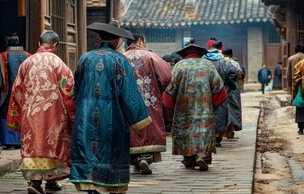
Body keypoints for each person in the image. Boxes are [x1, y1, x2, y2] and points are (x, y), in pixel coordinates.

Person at [70, 22, 152, 194]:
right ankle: (107, 184)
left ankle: (91, 185)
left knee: (88, 150)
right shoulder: (120, 60)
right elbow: (128, 91)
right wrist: (139, 117)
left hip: (86, 115)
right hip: (112, 117)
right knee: (110, 151)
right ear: (116, 40)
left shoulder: (84, 58)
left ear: (99, 37)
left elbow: (76, 88)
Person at [6, 30, 76, 194]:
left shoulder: (27, 63)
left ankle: (35, 182)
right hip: (54, 114)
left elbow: (17, 90)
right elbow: (69, 89)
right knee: (52, 145)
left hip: (32, 113)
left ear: (39, 44)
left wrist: (22, 110)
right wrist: (72, 112)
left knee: (34, 145)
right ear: (55, 45)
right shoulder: (58, 63)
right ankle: (49, 182)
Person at [162, 44, 227, 171]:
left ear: (184, 53)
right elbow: (218, 88)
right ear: (200, 52)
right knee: (203, 132)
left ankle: (189, 158)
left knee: (186, 133)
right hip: (204, 109)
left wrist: (169, 106)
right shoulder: (208, 65)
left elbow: (171, 89)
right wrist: (214, 104)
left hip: (184, 109)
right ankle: (202, 155)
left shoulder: (179, 66)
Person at [124, 33, 172, 175]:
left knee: (131, 127)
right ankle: (145, 156)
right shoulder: (151, 56)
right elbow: (166, 76)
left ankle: (136, 158)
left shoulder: (122, 57)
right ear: (140, 41)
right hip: (149, 99)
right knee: (149, 126)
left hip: (128, 101)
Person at [0, 32, 31, 149]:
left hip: (8, 93)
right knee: (23, 113)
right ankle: (21, 140)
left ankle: (9, 141)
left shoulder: (2, 56)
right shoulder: (28, 56)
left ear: (6, 42)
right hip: (24, 93)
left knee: (5, 113)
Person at [203, 41, 238, 147]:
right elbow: (233, 72)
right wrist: (231, 86)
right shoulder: (224, 62)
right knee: (220, 114)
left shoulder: (203, 61)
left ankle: (207, 136)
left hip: (205, 93)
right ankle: (218, 137)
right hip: (221, 93)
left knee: (206, 114)